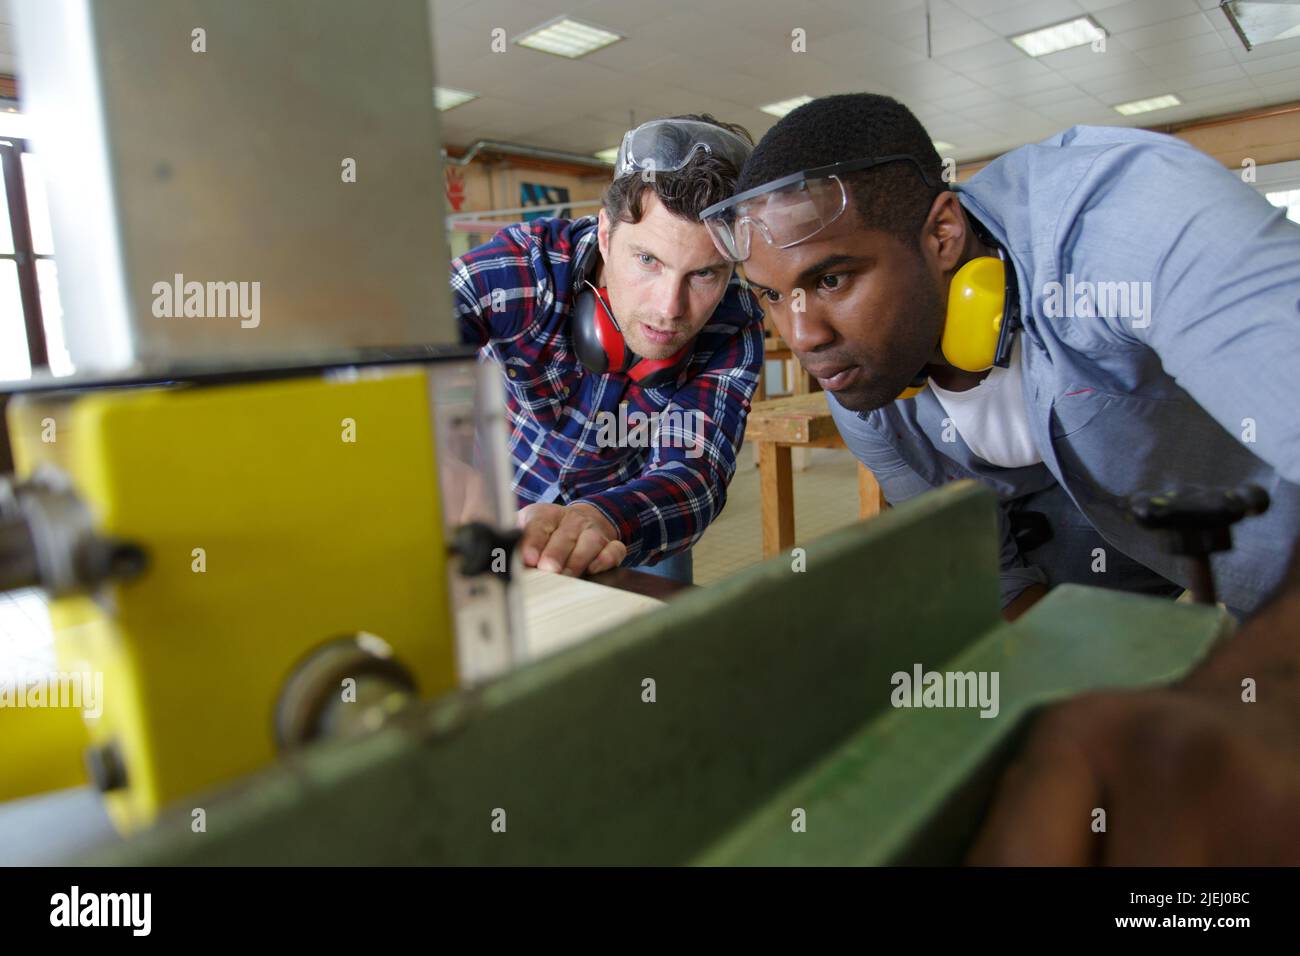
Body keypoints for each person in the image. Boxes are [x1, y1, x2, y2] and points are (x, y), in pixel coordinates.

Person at [700, 92, 1300, 863]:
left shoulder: (1128, 220)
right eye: (772, 296)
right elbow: (1008, 586)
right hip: (1120, 540)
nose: (803, 335)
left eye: (835, 279)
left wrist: (1211, 722)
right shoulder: (865, 386)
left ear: (943, 233)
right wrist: (1050, 726)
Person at [451, 115, 763, 583]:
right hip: (496, 503)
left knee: (661, 640)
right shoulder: (527, 267)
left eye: (704, 274)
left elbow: (695, 474)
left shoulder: (733, 326)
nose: (669, 308)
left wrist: (601, 518)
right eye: (647, 260)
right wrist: (437, 455)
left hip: (623, 518)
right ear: (604, 234)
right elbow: (407, 338)